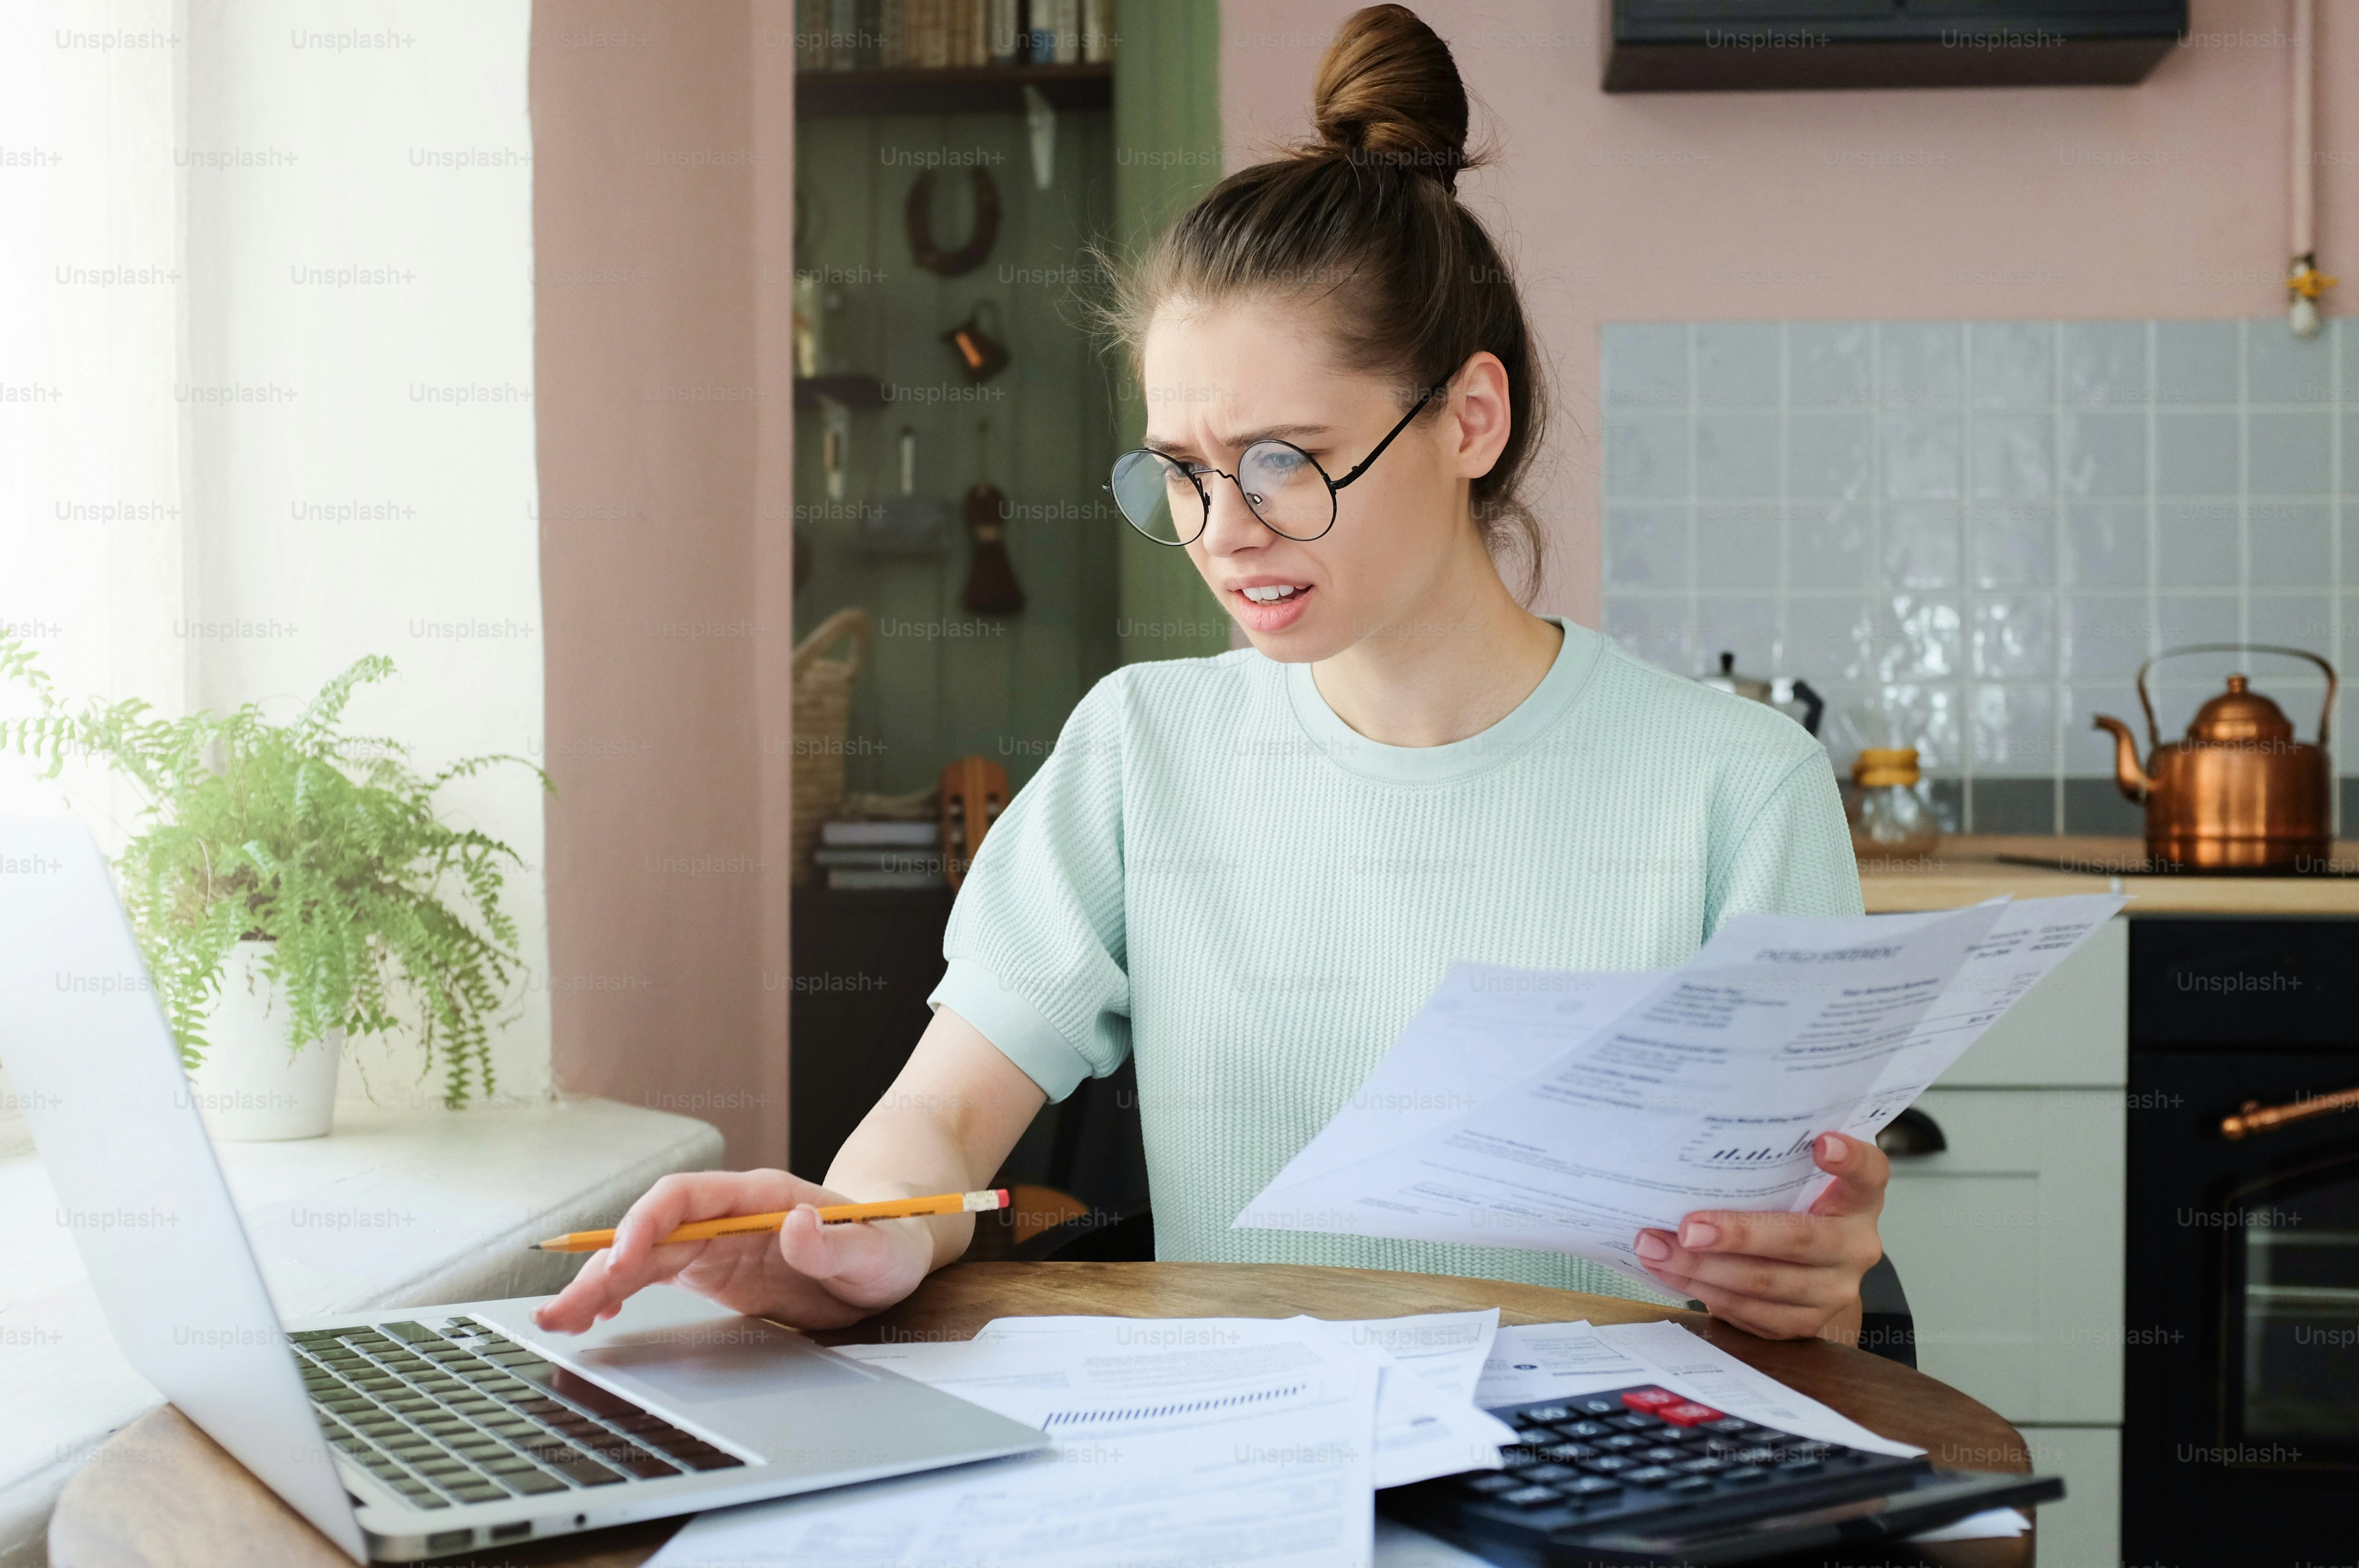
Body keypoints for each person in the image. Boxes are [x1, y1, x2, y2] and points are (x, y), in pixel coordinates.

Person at [536, 3, 1886, 1350]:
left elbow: (1804, 1287)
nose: (1223, 529)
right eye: (1177, 470)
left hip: (1607, 1496)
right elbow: (944, 1116)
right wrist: (856, 1228)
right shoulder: (1142, 749)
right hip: (1256, 1484)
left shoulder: (1732, 785)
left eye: (1284, 459)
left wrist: (1812, 1277)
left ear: (1469, 418)